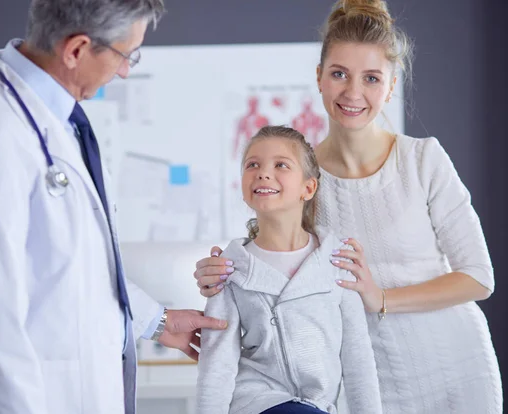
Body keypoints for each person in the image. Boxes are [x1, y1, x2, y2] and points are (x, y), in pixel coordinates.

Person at [194, 1, 502, 413]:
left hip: (457, 371)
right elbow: (271, 254)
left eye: (371, 78)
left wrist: (382, 298)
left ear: (391, 86)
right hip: (368, 383)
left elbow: (478, 278)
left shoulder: (423, 160)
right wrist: (222, 271)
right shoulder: (303, 178)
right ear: (319, 78)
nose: (353, 93)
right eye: (339, 74)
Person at [0, 1, 226, 413]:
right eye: (125, 55)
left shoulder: (58, 120)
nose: (125, 70)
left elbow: (73, 267)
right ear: (76, 50)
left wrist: (157, 321)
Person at [196, 125, 382, 414]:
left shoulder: (337, 263)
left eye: (280, 165)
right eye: (252, 164)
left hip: (320, 405)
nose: (263, 172)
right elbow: (216, 363)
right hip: (258, 402)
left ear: (308, 188)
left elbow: (358, 358)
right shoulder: (230, 270)